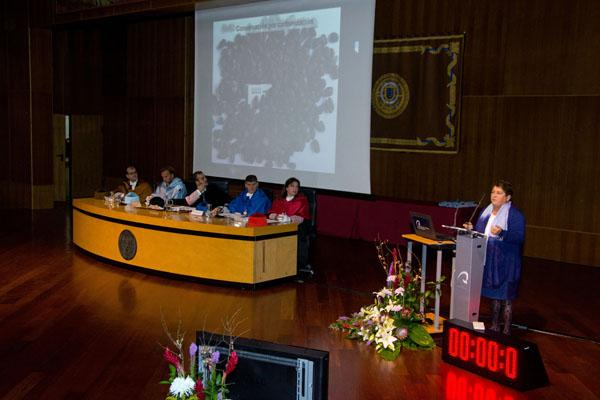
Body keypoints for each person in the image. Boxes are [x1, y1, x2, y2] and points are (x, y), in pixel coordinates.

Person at [464, 180, 525, 335]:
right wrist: (471, 229)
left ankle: (506, 331)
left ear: (508, 197)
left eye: (499, 193)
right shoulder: (486, 211)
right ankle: (494, 326)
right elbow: (480, 231)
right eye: (493, 192)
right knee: (494, 296)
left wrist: (502, 233)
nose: (494, 196)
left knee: (505, 296)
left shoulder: (515, 215)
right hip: (489, 259)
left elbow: (519, 237)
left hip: (507, 262)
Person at [269, 177, 312, 274]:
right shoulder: (279, 200)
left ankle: (297, 264)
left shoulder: (302, 200)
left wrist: (289, 219)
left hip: (297, 227)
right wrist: (277, 217)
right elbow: (271, 214)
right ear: (287, 188)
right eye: (292, 186)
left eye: (297, 186)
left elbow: (302, 217)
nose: (295, 189)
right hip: (278, 225)